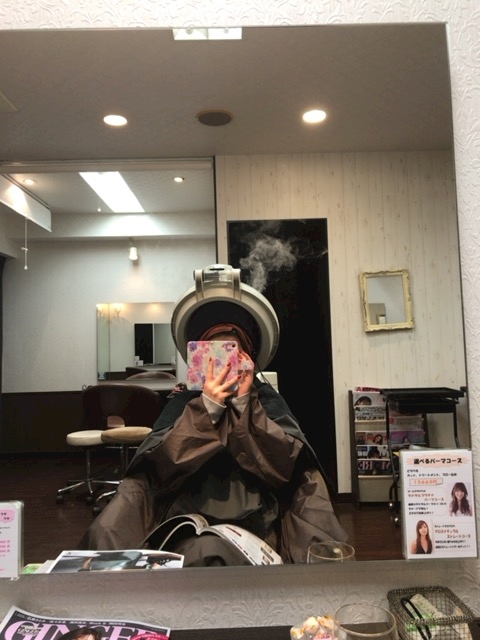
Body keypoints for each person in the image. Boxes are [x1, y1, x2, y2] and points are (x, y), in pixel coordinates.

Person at [80, 322, 348, 565]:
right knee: (202, 550)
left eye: (231, 353)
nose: (223, 363)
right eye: (213, 354)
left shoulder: (266, 399)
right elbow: (162, 462)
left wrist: (245, 406)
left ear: (247, 360)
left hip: (259, 516)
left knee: (212, 552)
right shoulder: (184, 401)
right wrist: (207, 409)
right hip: (186, 515)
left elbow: (285, 464)